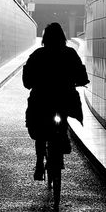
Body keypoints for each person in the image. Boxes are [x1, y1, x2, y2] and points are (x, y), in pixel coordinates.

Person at [22, 22, 89, 180]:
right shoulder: (70, 53)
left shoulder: (37, 55)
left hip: (41, 100)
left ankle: (39, 163)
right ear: (62, 37)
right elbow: (81, 75)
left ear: (45, 38)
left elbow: (27, 81)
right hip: (63, 98)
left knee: (39, 129)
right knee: (64, 114)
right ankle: (64, 138)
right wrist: (80, 81)